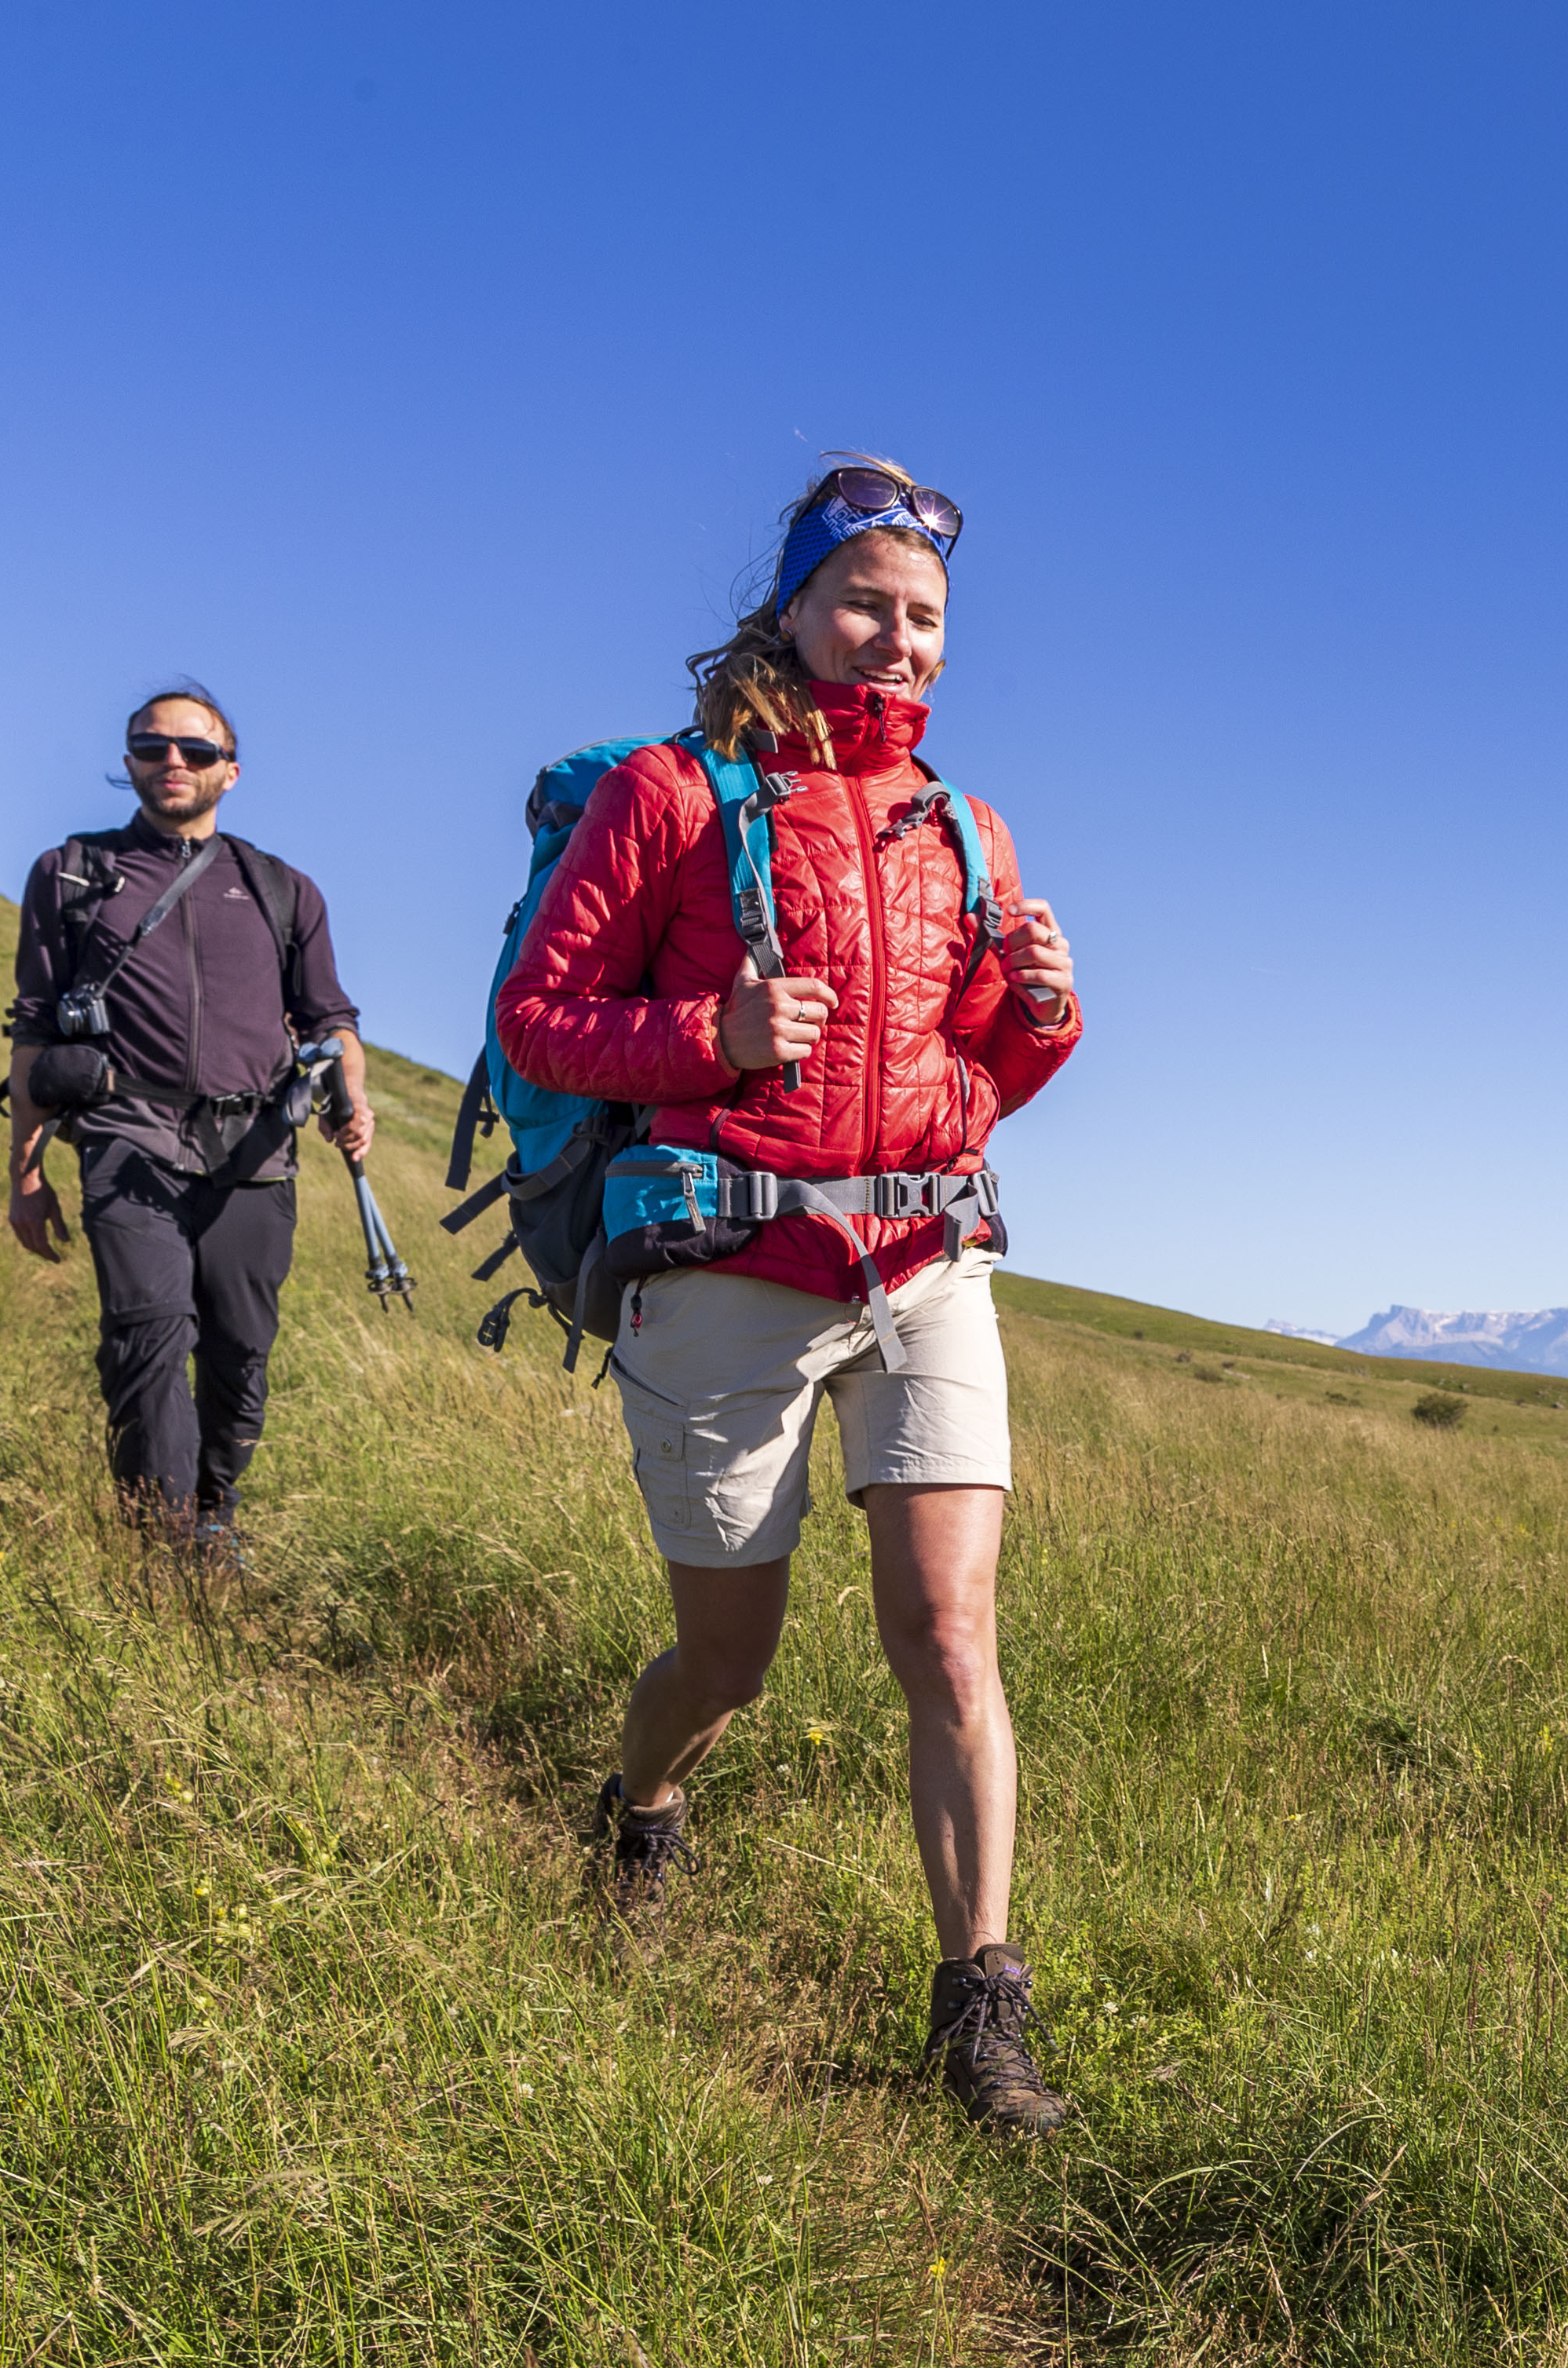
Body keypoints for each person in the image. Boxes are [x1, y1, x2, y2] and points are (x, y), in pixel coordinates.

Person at [495, 462, 1086, 2133]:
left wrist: (1036, 1018)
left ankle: (980, 2004)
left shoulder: (965, 831)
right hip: (721, 1268)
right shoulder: (676, 796)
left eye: (926, 622)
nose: (896, 644)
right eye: (866, 606)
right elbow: (547, 1019)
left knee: (950, 1637)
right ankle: (638, 1808)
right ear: (796, 607)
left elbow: (959, 1081)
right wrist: (714, 1043)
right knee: (728, 1657)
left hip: (922, 1269)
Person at [4, 688, 372, 1551]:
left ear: (230, 773)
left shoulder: (282, 889)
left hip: (255, 1153)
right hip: (128, 1139)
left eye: (195, 751)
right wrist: (25, 1173)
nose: (172, 761)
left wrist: (354, 1103)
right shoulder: (72, 872)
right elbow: (32, 1025)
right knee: (148, 1337)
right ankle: (165, 1545)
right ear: (129, 760)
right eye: (151, 746)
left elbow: (331, 1020)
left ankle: (215, 1513)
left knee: (241, 1354)